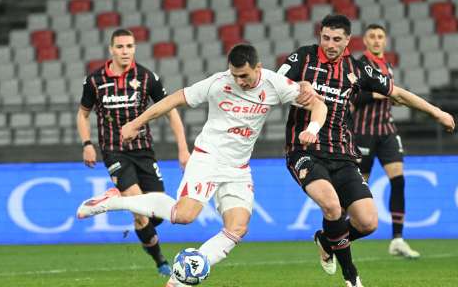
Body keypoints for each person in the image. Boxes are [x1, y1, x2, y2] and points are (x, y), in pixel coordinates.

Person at [76, 44, 328, 286]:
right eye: (235, 75)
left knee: (237, 227)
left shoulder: (275, 84)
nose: (239, 81)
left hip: (238, 167)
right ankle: (113, 201)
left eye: (244, 76)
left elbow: (318, 105)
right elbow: (174, 99)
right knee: (183, 216)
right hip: (209, 157)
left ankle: (181, 279)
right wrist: (136, 122)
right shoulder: (218, 83)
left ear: (258, 68)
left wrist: (313, 128)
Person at [277, 14, 455, 287]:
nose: (330, 44)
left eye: (337, 39)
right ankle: (352, 277)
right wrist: (292, 85)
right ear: (320, 36)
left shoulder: (358, 70)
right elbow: (273, 83)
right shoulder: (303, 58)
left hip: (344, 155)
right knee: (332, 205)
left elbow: (398, 94)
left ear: (348, 40)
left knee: (368, 222)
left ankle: (326, 239)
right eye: (326, 37)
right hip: (305, 150)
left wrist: (437, 111)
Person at [76, 28, 190, 276]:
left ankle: (125, 209)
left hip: (143, 152)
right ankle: (161, 262)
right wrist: (87, 144)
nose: (125, 51)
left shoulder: (147, 78)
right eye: (120, 47)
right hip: (114, 151)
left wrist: (183, 148)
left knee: (157, 213)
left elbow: (171, 110)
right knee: (140, 210)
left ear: (135, 48)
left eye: (129, 46)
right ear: (111, 50)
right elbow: (83, 114)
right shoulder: (95, 81)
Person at [352, 24, 419, 258]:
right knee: (356, 187)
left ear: (385, 40)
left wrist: (394, 101)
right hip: (363, 132)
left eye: (380, 36)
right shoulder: (359, 66)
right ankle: (338, 231)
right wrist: (378, 94)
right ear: (365, 41)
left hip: (387, 131)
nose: (377, 40)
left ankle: (398, 239)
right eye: (372, 36)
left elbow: (390, 96)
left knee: (398, 181)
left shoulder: (387, 66)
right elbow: (352, 95)